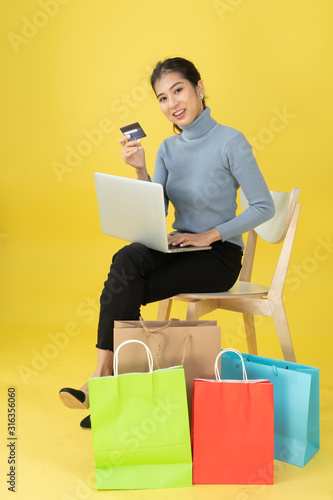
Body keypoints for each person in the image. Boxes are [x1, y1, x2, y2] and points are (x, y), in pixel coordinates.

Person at [59, 57, 275, 429]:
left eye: (178, 90)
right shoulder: (167, 150)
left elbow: (263, 206)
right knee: (126, 260)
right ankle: (104, 375)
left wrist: (210, 234)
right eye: (162, 97)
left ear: (199, 88)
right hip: (177, 246)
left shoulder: (231, 141)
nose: (172, 103)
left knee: (126, 286)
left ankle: (108, 386)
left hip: (219, 256)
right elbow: (156, 209)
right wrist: (140, 169)